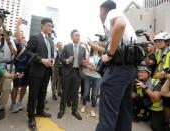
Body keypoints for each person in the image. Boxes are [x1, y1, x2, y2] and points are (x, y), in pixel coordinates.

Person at [91, 1, 137, 131]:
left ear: (102, 10)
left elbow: (120, 24)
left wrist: (110, 54)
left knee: (108, 115)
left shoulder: (113, 13)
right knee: (124, 113)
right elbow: (117, 43)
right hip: (129, 68)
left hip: (118, 69)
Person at [25, 18, 54, 129]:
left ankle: (40, 110)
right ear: (42, 26)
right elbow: (27, 52)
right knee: (33, 95)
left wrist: (52, 60)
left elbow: (50, 54)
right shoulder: (35, 37)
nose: (50, 28)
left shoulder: (51, 41)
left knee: (43, 93)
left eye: (51, 26)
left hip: (47, 71)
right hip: (36, 71)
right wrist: (41, 60)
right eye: (48, 25)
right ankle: (31, 117)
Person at [57, 29, 86, 120]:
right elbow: (61, 58)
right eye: (76, 35)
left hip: (77, 73)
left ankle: (74, 111)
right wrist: (67, 60)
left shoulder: (83, 49)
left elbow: (84, 61)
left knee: (75, 93)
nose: (78, 37)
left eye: (79, 35)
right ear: (72, 37)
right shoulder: (66, 47)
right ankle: (62, 110)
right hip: (67, 72)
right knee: (64, 92)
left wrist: (85, 64)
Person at [133, 65, 165, 131]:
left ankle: (148, 116)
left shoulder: (155, 82)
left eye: (143, 72)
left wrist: (144, 87)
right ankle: (139, 113)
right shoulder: (136, 81)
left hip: (155, 109)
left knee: (157, 128)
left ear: (149, 73)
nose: (140, 73)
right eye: (139, 72)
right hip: (145, 104)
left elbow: (156, 99)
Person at [10, 18, 29, 113]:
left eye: (22, 34)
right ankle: (13, 104)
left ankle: (20, 102)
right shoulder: (17, 44)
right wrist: (18, 25)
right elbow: (18, 38)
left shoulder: (28, 46)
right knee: (16, 87)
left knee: (24, 86)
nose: (21, 36)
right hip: (18, 69)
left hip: (27, 70)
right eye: (19, 34)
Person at [153, 32, 170, 131]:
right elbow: (158, 64)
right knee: (161, 101)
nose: (157, 43)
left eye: (160, 41)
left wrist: (163, 74)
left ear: (167, 42)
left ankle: (166, 123)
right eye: (156, 41)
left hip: (168, 78)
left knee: (167, 103)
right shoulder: (159, 52)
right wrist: (155, 77)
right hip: (160, 78)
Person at [81, 43, 101, 117]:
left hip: (98, 77)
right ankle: (84, 105)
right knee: (86, 93)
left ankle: (93, 109)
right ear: (92, 46)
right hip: (88, 75)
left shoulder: (101, 56)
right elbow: (84, 63)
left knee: (94, 95)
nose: (95, 46)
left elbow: (102, 67)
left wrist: (95, 68)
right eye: (94, 44)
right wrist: (88, 66)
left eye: (97, 44)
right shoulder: (89, 55)